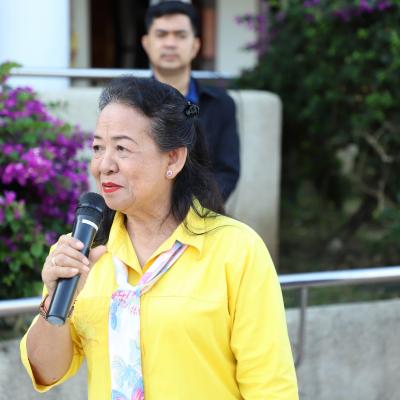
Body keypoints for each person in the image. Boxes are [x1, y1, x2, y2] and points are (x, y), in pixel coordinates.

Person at [20, 77, 298, 400]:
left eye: (122, 149)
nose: (104, 165)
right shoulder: (80, 253)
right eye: (98, 148)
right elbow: (47, 371)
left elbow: (271, 388)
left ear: (173, 159)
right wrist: (56, 302)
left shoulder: (237, 250)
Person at [142, 0, 240, 201]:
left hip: (203, 213)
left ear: (195, 45)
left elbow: (227, 172)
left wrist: (196, 210)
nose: (170, 43)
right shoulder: (129, 105)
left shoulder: (220, 104)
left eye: (180, 35)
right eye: (161, 34)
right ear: (146, 43)